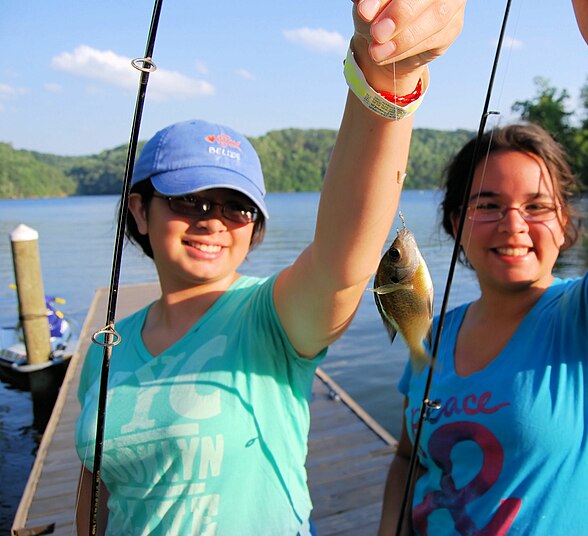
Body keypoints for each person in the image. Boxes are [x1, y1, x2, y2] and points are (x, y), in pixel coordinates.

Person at [73, 1, 466, 534]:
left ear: (254, 224)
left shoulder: (268, 319)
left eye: (235, 207)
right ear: (140, 211)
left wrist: (389, 72)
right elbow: (97, 485)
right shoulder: (105, 347)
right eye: (190, 201)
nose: (214, 221)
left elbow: (344, 258)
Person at [378, 0, 588, 534]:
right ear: (455, 223)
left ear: (568, 222)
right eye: (487, 204)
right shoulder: (432, 333)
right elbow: (409, 460)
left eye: (537, 205)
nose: (514, 224)